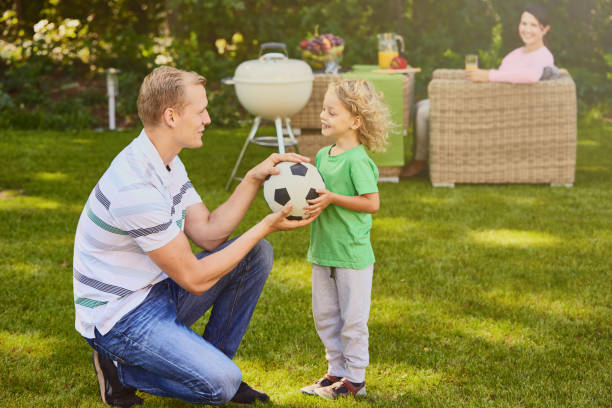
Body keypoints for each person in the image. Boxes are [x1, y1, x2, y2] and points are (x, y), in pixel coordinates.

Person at [73, 65, 316, 407]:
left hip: (157, 289)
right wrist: (264, 224)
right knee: (221, 384)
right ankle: (119, 369)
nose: (208, 118)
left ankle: (209, 361)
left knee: (255, 254)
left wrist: (252, 179)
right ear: (171, 116)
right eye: (200, 110)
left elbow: (209, 234)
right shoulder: (134, 186)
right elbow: (195, 278)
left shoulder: (166, 161)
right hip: (121, 317)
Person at [299, 79, 390, 400]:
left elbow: (371, 203)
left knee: (352, 321)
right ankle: (335, 371)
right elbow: (319, 196)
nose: (323, 116)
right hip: (323, 251)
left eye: (331, 112)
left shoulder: (358, 160)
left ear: (355, 121)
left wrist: (333, 198)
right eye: (323, 110)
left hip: (351, 256)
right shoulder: (324, 155)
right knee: (325, 317)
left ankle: (355, 380)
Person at [402, 3, 554, 177]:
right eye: (524, 23)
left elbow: (530, 77)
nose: (526, 29)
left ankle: (419, 162)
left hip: (500, 113)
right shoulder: (516, 53)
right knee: (421, 105)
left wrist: (488, 76)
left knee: (423, 112)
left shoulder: (543, 55)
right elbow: (503, 77)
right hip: (489, 101)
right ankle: (424, 156)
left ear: (545, 29)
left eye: (533, 25)